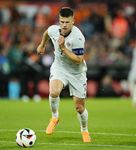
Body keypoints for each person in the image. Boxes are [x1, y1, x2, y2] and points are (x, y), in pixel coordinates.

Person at [36, 7, 91, 142]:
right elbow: (47, 33)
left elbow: (78, 61)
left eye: (67, 22)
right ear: (59, 21)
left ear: (73, 21)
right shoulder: (54, 30)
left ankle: (84, 130)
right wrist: (42, 45)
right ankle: (55, 117)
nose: (64, 25)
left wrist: (63, 48)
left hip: (77, 73)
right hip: (59, 68)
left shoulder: (78, 37)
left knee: (79, 108)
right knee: (54, 92)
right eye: (62, 22)